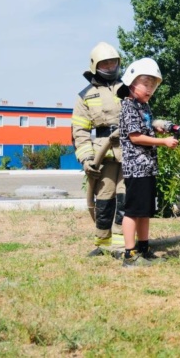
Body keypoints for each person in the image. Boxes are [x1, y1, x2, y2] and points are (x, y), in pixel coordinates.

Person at [117, 58, 178, 267]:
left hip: (148, 167)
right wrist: (163, 141)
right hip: (136, 168)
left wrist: (156, 129)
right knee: (133, 211)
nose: (150, 89)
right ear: (132, 83)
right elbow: (135, 137)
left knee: (144, 211)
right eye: (146, 85)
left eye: (153, 86)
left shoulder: (144, 106)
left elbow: (144, 129)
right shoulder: (128, 106)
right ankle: (129, 254)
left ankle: (144, 249)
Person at [72, 42, 126, 256]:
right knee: (104, 198)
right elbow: (80, 132)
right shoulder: (85, 96)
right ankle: (103, 244)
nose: (111, 66)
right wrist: (87, 160)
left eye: (113, 62)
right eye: (105, 63)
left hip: (130, 150)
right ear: (95, 65)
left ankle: (123, 244)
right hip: (103, 153)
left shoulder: (129, 87)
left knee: (126, 197)